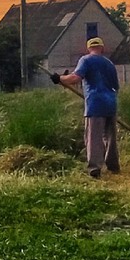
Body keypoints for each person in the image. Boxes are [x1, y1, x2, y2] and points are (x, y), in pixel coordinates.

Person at [50, 37, 120, 178]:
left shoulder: (86, 60)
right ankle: (113, 166)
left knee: (93, 137)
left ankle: (94, 168)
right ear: (102, 48)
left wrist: (60, 79)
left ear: (88, 48)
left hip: (95, 103)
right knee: (110, 137)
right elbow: (116, 87)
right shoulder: (109, 63)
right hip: (111, 103)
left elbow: (76, 78)